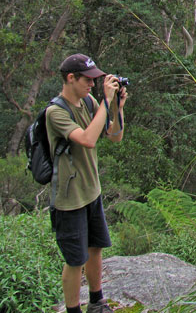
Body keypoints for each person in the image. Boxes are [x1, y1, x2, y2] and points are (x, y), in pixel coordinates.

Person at [47, 53, 127, 313]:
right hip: (69, 199)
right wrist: (106, 101)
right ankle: (73, 310)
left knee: (95, 249)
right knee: (74, 260)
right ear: (71, 78)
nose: (92, 85)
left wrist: (117, 107)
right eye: (87, 80)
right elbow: (88, 139)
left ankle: (97, 301)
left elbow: (114, 137)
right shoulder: (55, 112)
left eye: (95, 80)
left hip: (92, 191)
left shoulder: (88, 102)